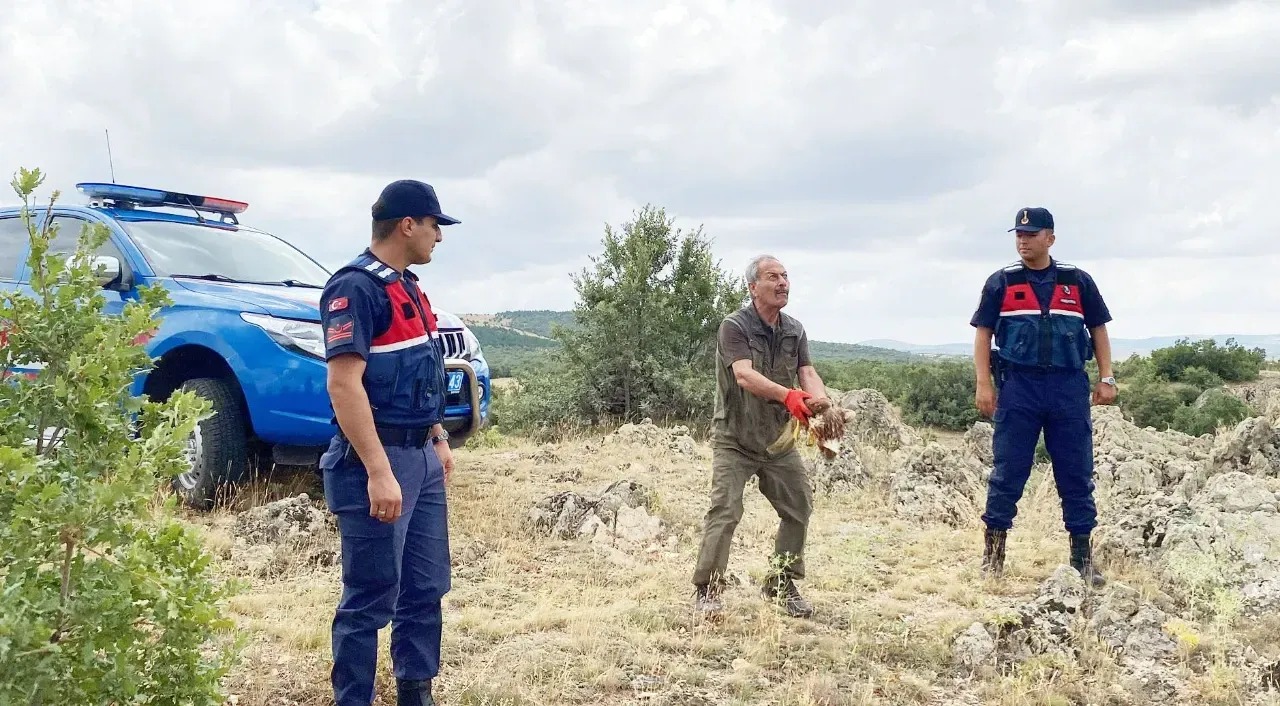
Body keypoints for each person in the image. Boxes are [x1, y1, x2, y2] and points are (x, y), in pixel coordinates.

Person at [318, 179, 460, 706]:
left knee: (425, 589)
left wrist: (438, 437)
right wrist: (379, 470)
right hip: (375, 462)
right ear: (408, 225)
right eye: (434, 225)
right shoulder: (353, 289)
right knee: (370, 599)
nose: (438, 238)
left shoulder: (408, 286)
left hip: (420, 456)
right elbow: (343, 384)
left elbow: (424, 372)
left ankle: (415, 694)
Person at [970, 206, 1116, 588]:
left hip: (1068, 388)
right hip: (1019, 387)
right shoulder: (1001, 282)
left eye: (1031, 234)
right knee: (1008, 472)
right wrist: (984, 385)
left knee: (1076, 473)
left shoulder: (1077, 281)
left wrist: (1107, 377)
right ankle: (993, 557)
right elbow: (984, 334)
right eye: (1018, 235)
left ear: (1050, 237)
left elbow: (1098, 328)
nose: (1023, 240)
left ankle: (1082, 559)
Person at [691, 254, 832, 619]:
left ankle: (781, 584)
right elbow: (744, 376)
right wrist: (789, 396)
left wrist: (821, 401)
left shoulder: (795, 329)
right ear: (753, 287)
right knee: (725, 510)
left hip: (778, 440)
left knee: (798, 506)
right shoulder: (733, 326)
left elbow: (807, 371)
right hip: (734, 438)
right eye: (773, 277)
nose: (783, 282)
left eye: (786, 276)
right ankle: (708, 590)